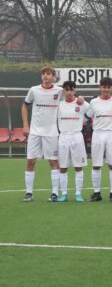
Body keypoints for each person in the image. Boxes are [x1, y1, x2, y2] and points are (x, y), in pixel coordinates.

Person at [21, 66, 63, 202]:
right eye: (44, 74)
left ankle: (55, 193)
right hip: (35, 132)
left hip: (51, 132)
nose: (46, 76)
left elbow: (70, 99)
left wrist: (79, 98)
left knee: (53, 162)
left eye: (49, 74)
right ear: (41, 76)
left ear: (53, 77)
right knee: (31, 161)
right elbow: (24, 105)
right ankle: (28, 193)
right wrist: (26, 125)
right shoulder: (34, 90)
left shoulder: (59, 91)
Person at [85, 77, 112, 202]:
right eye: (104, 87)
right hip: (97, 134)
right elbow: (87, 116)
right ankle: (97, 193)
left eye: (108, 87)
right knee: (96, 165)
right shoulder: (93, 102)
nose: (106, 90)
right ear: (100, 88)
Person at [56, 81, 89, 202]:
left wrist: (83, 100)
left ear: (74, 91)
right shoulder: (59, 104)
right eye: (66, 90)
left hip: (77, 137)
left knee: (78, 166)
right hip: (63, 137)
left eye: (71, 90)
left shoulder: (81, 103)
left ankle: (78, 193)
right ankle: (64, 194)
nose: (69, 92)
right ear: (63, 91)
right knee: (63, 167)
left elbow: (91, 111)